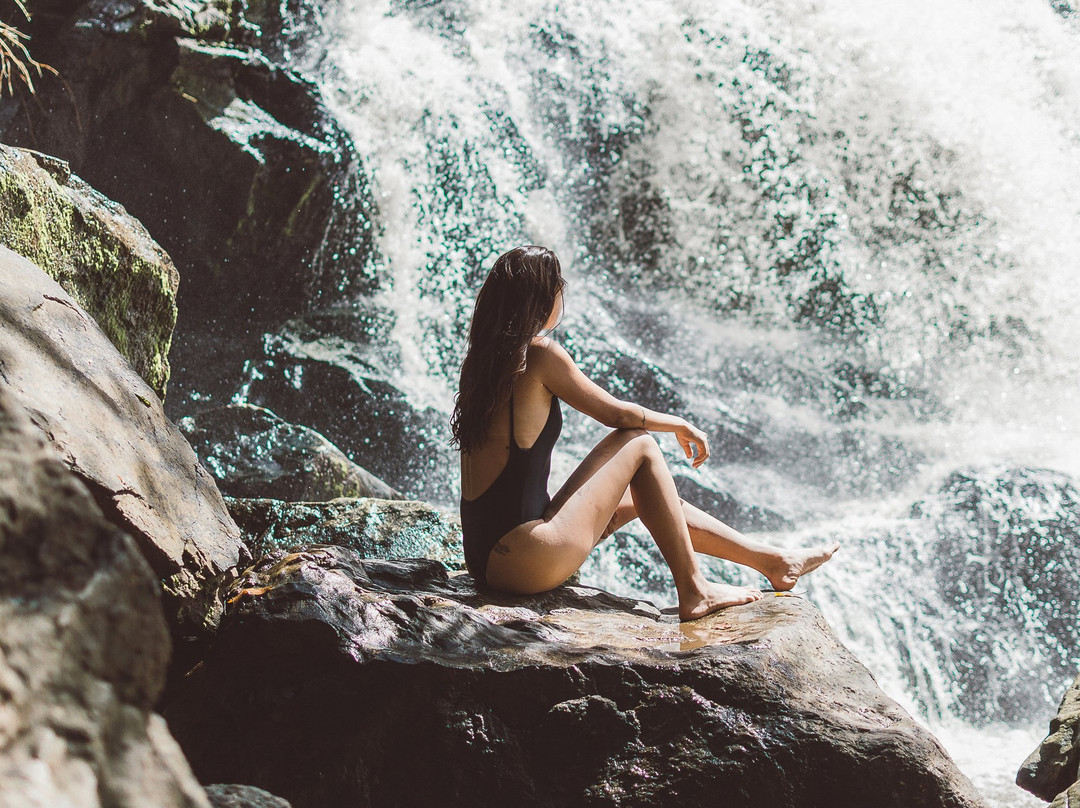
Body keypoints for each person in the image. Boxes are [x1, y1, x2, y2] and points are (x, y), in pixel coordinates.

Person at [450, 245, 839, 621]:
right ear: (540, 299)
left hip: (487, 557)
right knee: (639, 444)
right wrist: (678, 424)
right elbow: (617, 415)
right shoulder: (539, 354)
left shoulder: (483, 363)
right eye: (558, 289)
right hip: (525, 558)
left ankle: (773, 562)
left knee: (648, 497)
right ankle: (694, 590)